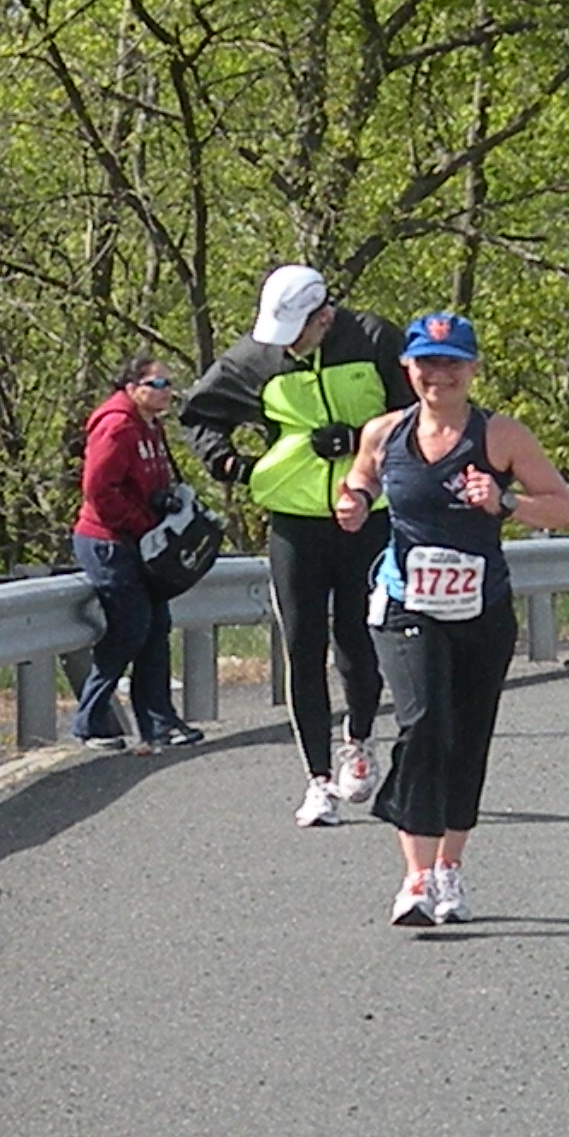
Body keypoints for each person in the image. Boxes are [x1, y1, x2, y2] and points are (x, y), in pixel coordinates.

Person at [331, 311, 569, 926]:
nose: (439, 375)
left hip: (480, 609)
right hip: (405, 604)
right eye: (428, 363)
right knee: (422, 723)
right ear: (408, 368)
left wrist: (506, 502)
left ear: (471, 369)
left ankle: (449, 869)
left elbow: (564, 509)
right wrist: (354, 501)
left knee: (467, 738)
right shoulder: (385, 433)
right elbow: (361, 478)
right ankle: (414, 877)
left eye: (452, 363)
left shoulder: (502, 437)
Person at [179, 264, 413, 825]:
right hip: (293, 521)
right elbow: (199, 412)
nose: (287, 346)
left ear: (325, 317)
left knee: (359, 643)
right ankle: (318, 781)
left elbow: (416, 415)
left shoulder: (376, 338)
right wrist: (230, 463)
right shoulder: (256, 358)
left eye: (297, 332)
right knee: (303, 647)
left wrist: (359, 441)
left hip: (367, 514)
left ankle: (357, 741)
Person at [70, 355, 207, 752]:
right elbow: (99, 491)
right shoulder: (115, 427)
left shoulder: (151, 426)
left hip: (146, 542)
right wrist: (141, 525)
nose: (167, 392)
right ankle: (90, 721)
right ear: (132, 388)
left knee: (156, 627)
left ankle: (159, 722)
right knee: (130, 628)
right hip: (109, 541)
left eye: (169, 385)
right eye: (158, 385)